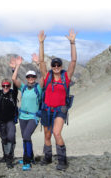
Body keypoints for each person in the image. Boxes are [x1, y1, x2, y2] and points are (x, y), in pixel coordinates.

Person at [38, 29, 77, 170]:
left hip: (60, 110)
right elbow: (41, 61)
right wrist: (41, 43)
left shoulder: (66, 78)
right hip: (46, 109)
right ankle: (48, 157)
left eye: (58, 65)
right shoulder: (47, 76)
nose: (55, 67)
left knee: (56, 132)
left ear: (61, 67)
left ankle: (62, 160)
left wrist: (72, 43)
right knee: (47, 135)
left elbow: (73, 61)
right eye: (53, 65)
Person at [11, 55, 43, 171]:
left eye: (33, 76)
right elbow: (14, 79)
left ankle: (27, 161)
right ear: (26, 77)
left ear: (35, 77)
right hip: (22, 116)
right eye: (29, 76)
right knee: (26, 138)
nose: (31, 78)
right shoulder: (23, 87)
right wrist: (18, 65)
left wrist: (38, 63)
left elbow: (45, 76)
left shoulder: (38, 88)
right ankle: (31, 157)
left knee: (26, 136)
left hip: (33, 117)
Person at [0, 59, 19, 169]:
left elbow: (15, 82)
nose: (5, 87)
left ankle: (9, 158)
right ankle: (6, 156)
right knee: (4, 138)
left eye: (7, 86)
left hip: (10, 120)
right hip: (0, 121)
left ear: (9, 86)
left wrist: (14, 69)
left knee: (11, 138)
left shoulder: (13, 94)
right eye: (4, 86)